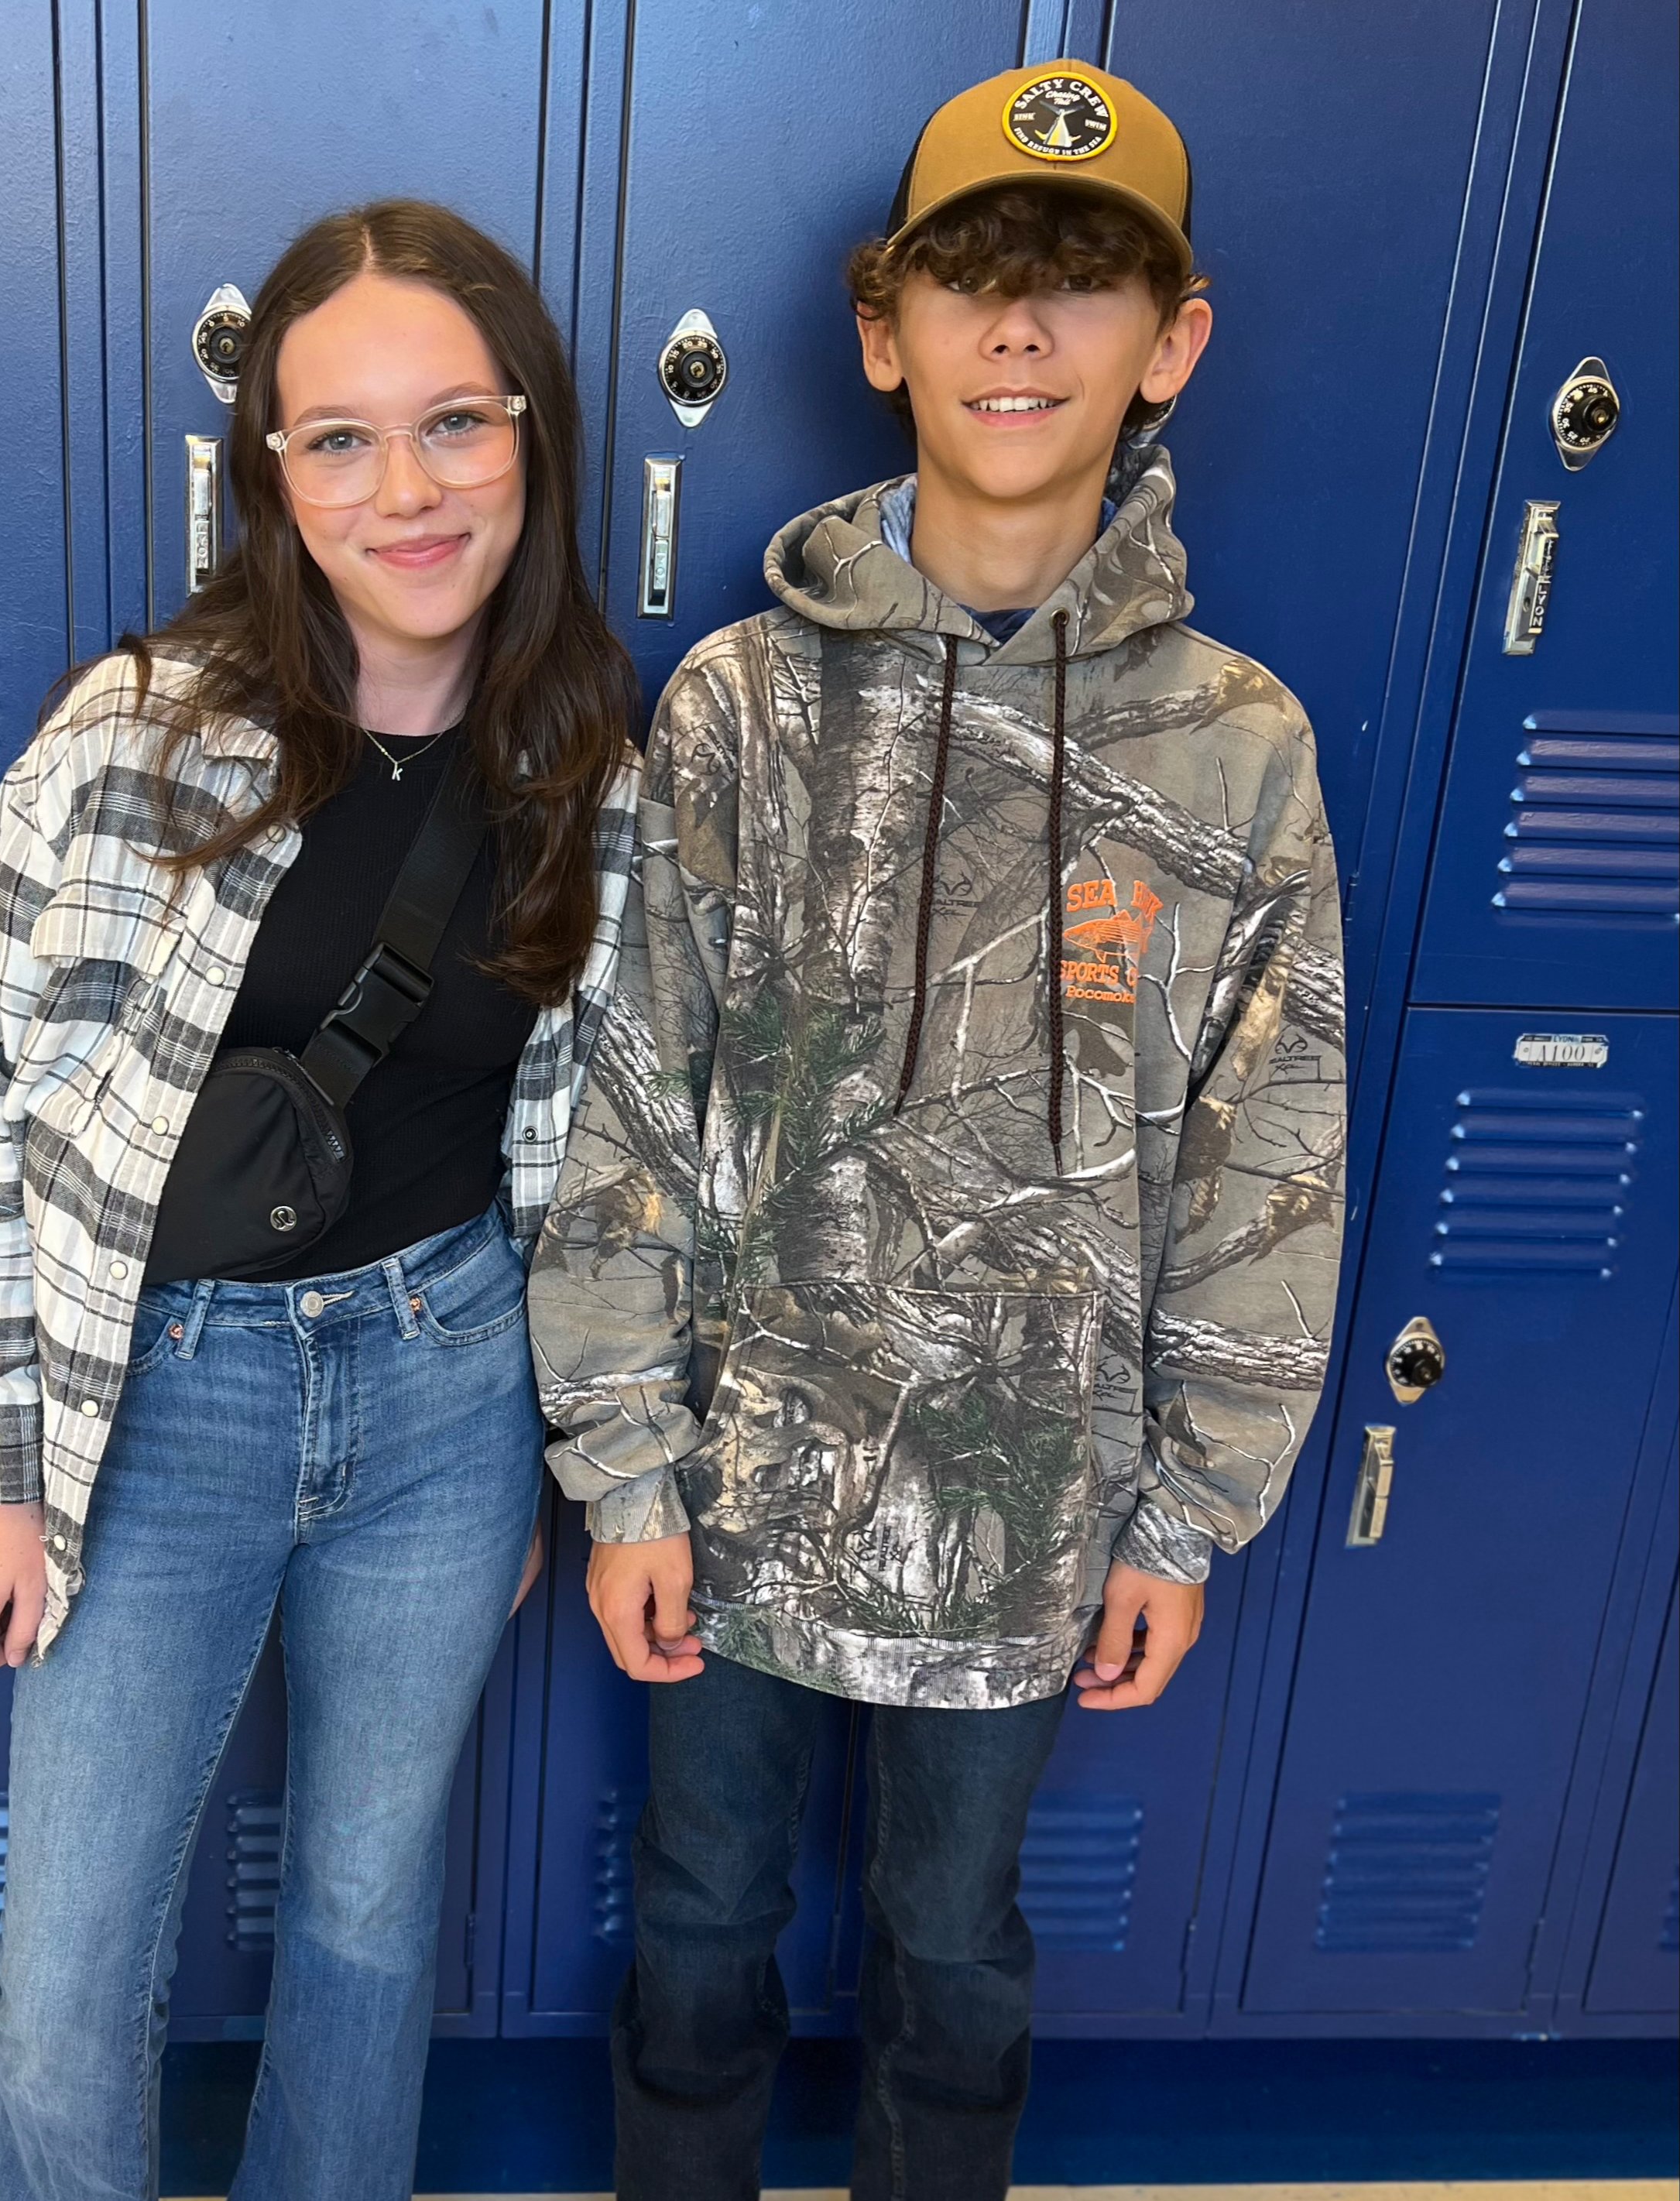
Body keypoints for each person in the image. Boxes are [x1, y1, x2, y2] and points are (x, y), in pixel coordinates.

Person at [527, 62, 1346, 2201]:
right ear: (881, 331)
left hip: (1027, 1511)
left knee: (953, 1950)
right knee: (699, 1925)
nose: (1018, 335)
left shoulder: (1238, 749)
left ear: (1172, 341)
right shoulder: (735, 705)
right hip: (739, 1478)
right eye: (970, 281)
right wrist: (621, 1465)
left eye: (1082, 286)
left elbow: (1266, 1151)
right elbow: (628, 1085)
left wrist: (1185, 1514)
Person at [0, 198, 639, 2201]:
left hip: (449, 1385)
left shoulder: (592, 764)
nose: (404, 490)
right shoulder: (135, 738)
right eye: (338, 438)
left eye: (456, 426)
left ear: (535, 442)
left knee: (362, 1926)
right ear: (269, 474)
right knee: (66, 1984)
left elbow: (600, 1154)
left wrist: (553, 1458)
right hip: (164, 1394)